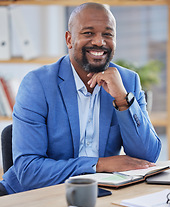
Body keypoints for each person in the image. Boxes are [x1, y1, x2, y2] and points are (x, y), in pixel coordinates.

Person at [0, 2, 161, 196]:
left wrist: (122, 100)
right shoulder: (37, 84)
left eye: (108, 34)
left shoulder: (128, 81)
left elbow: (147, 157)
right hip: (32, 195)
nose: (100, 42)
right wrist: (99, 164)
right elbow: (28, 171)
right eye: (88, 33)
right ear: (69, 39)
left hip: (100, 193)